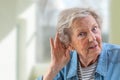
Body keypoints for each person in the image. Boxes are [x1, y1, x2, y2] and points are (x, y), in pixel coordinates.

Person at [37, 7, 120, 80]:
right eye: (82, 34)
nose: (93, 38)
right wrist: (53, 68)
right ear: (69, 45)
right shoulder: (64, 65)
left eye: (94, 29)